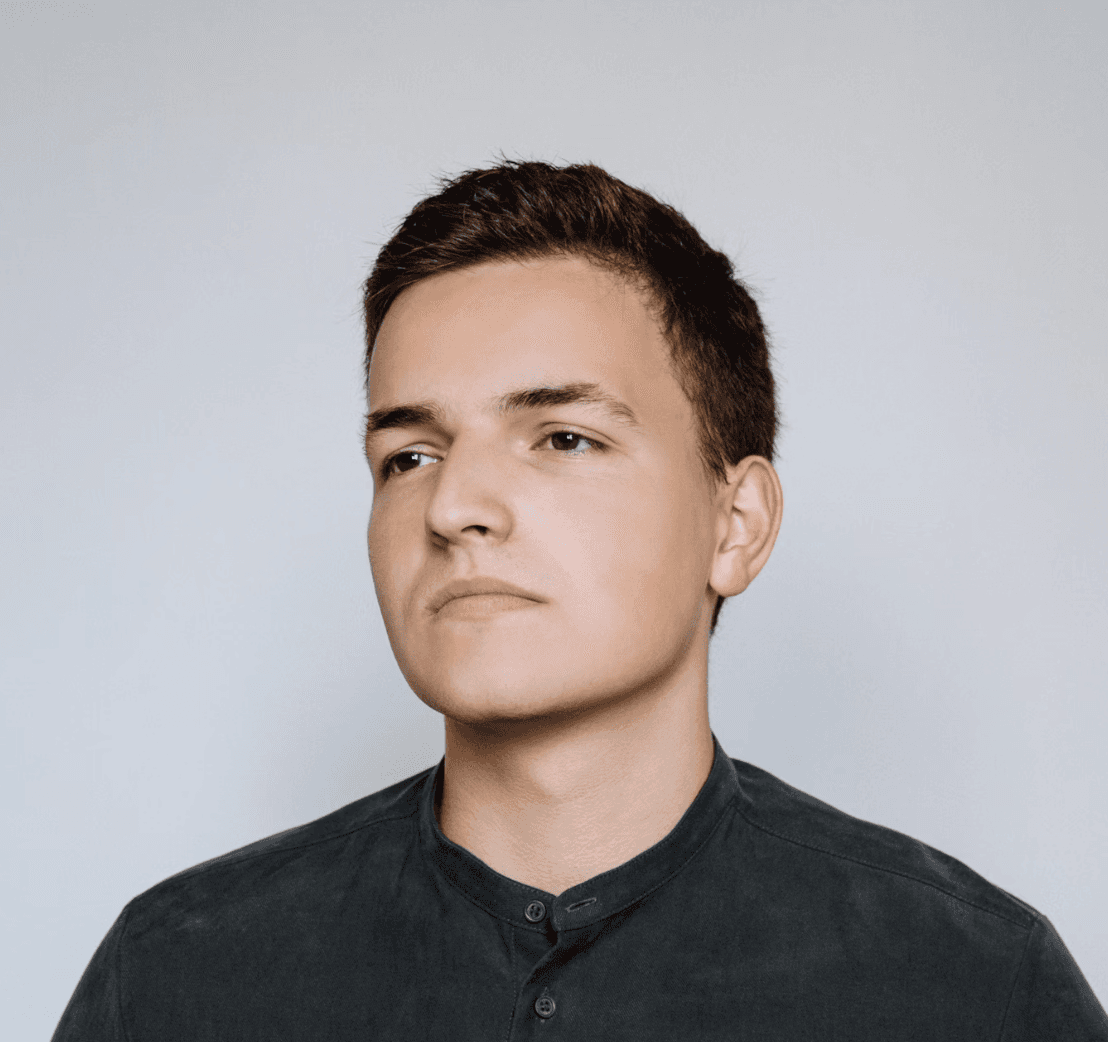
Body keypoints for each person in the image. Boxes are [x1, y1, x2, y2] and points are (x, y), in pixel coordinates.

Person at [53, 160, 1107, 1040]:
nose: (454, 504)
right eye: (409, 454)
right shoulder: (177, 979)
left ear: (735, 524)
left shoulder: (972, 986)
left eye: (563, 437)